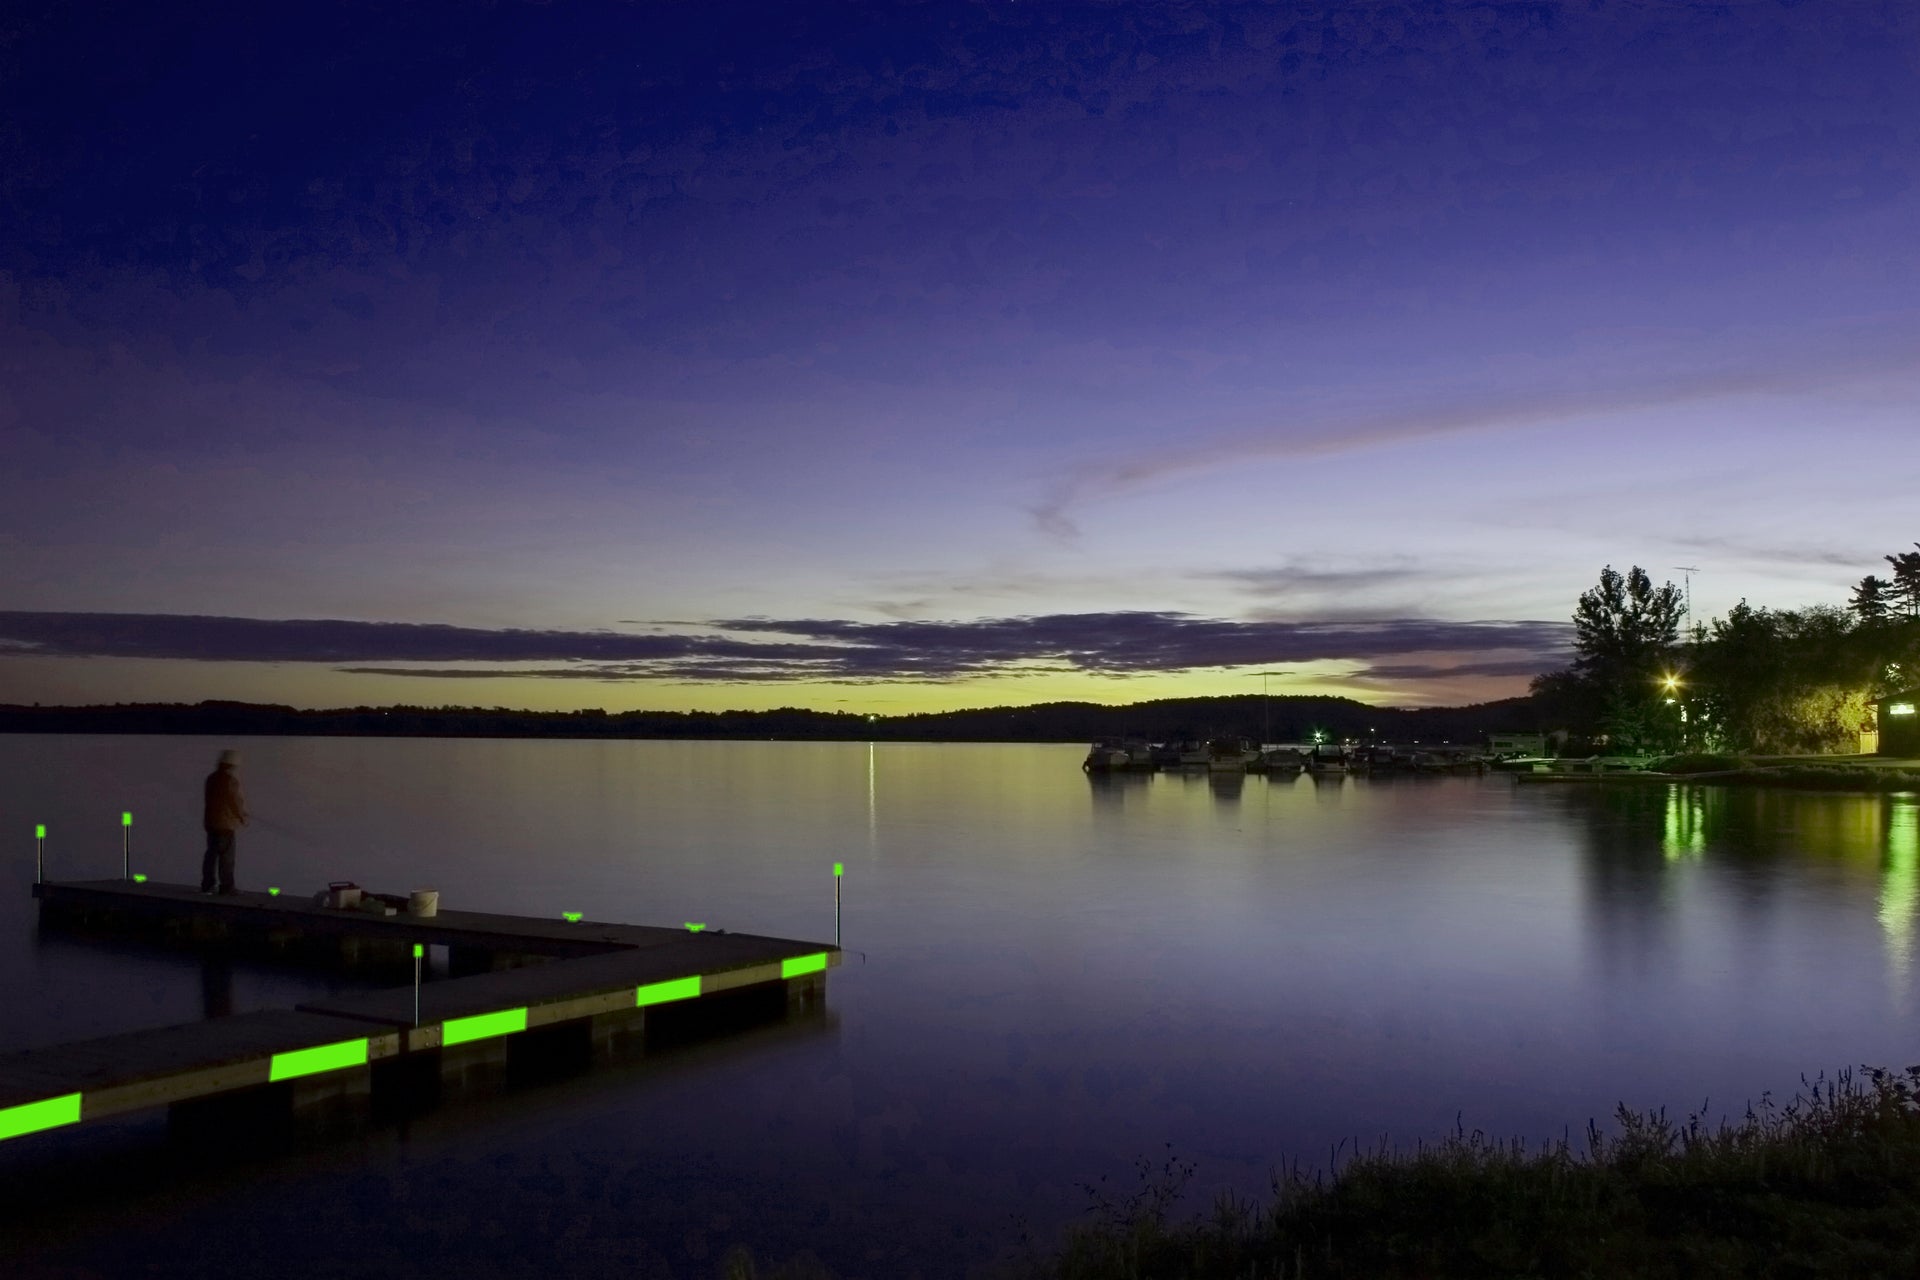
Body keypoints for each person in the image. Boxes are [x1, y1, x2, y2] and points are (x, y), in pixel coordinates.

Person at [201, 749, 249, 895]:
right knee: (226, 858)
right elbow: (235, 802)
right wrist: (242, 817)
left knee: (211, 855)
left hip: (211, 823)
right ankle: (226, 887)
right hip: (225, 825)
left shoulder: (211, 778)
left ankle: (208, 885)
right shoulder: (230, 781)